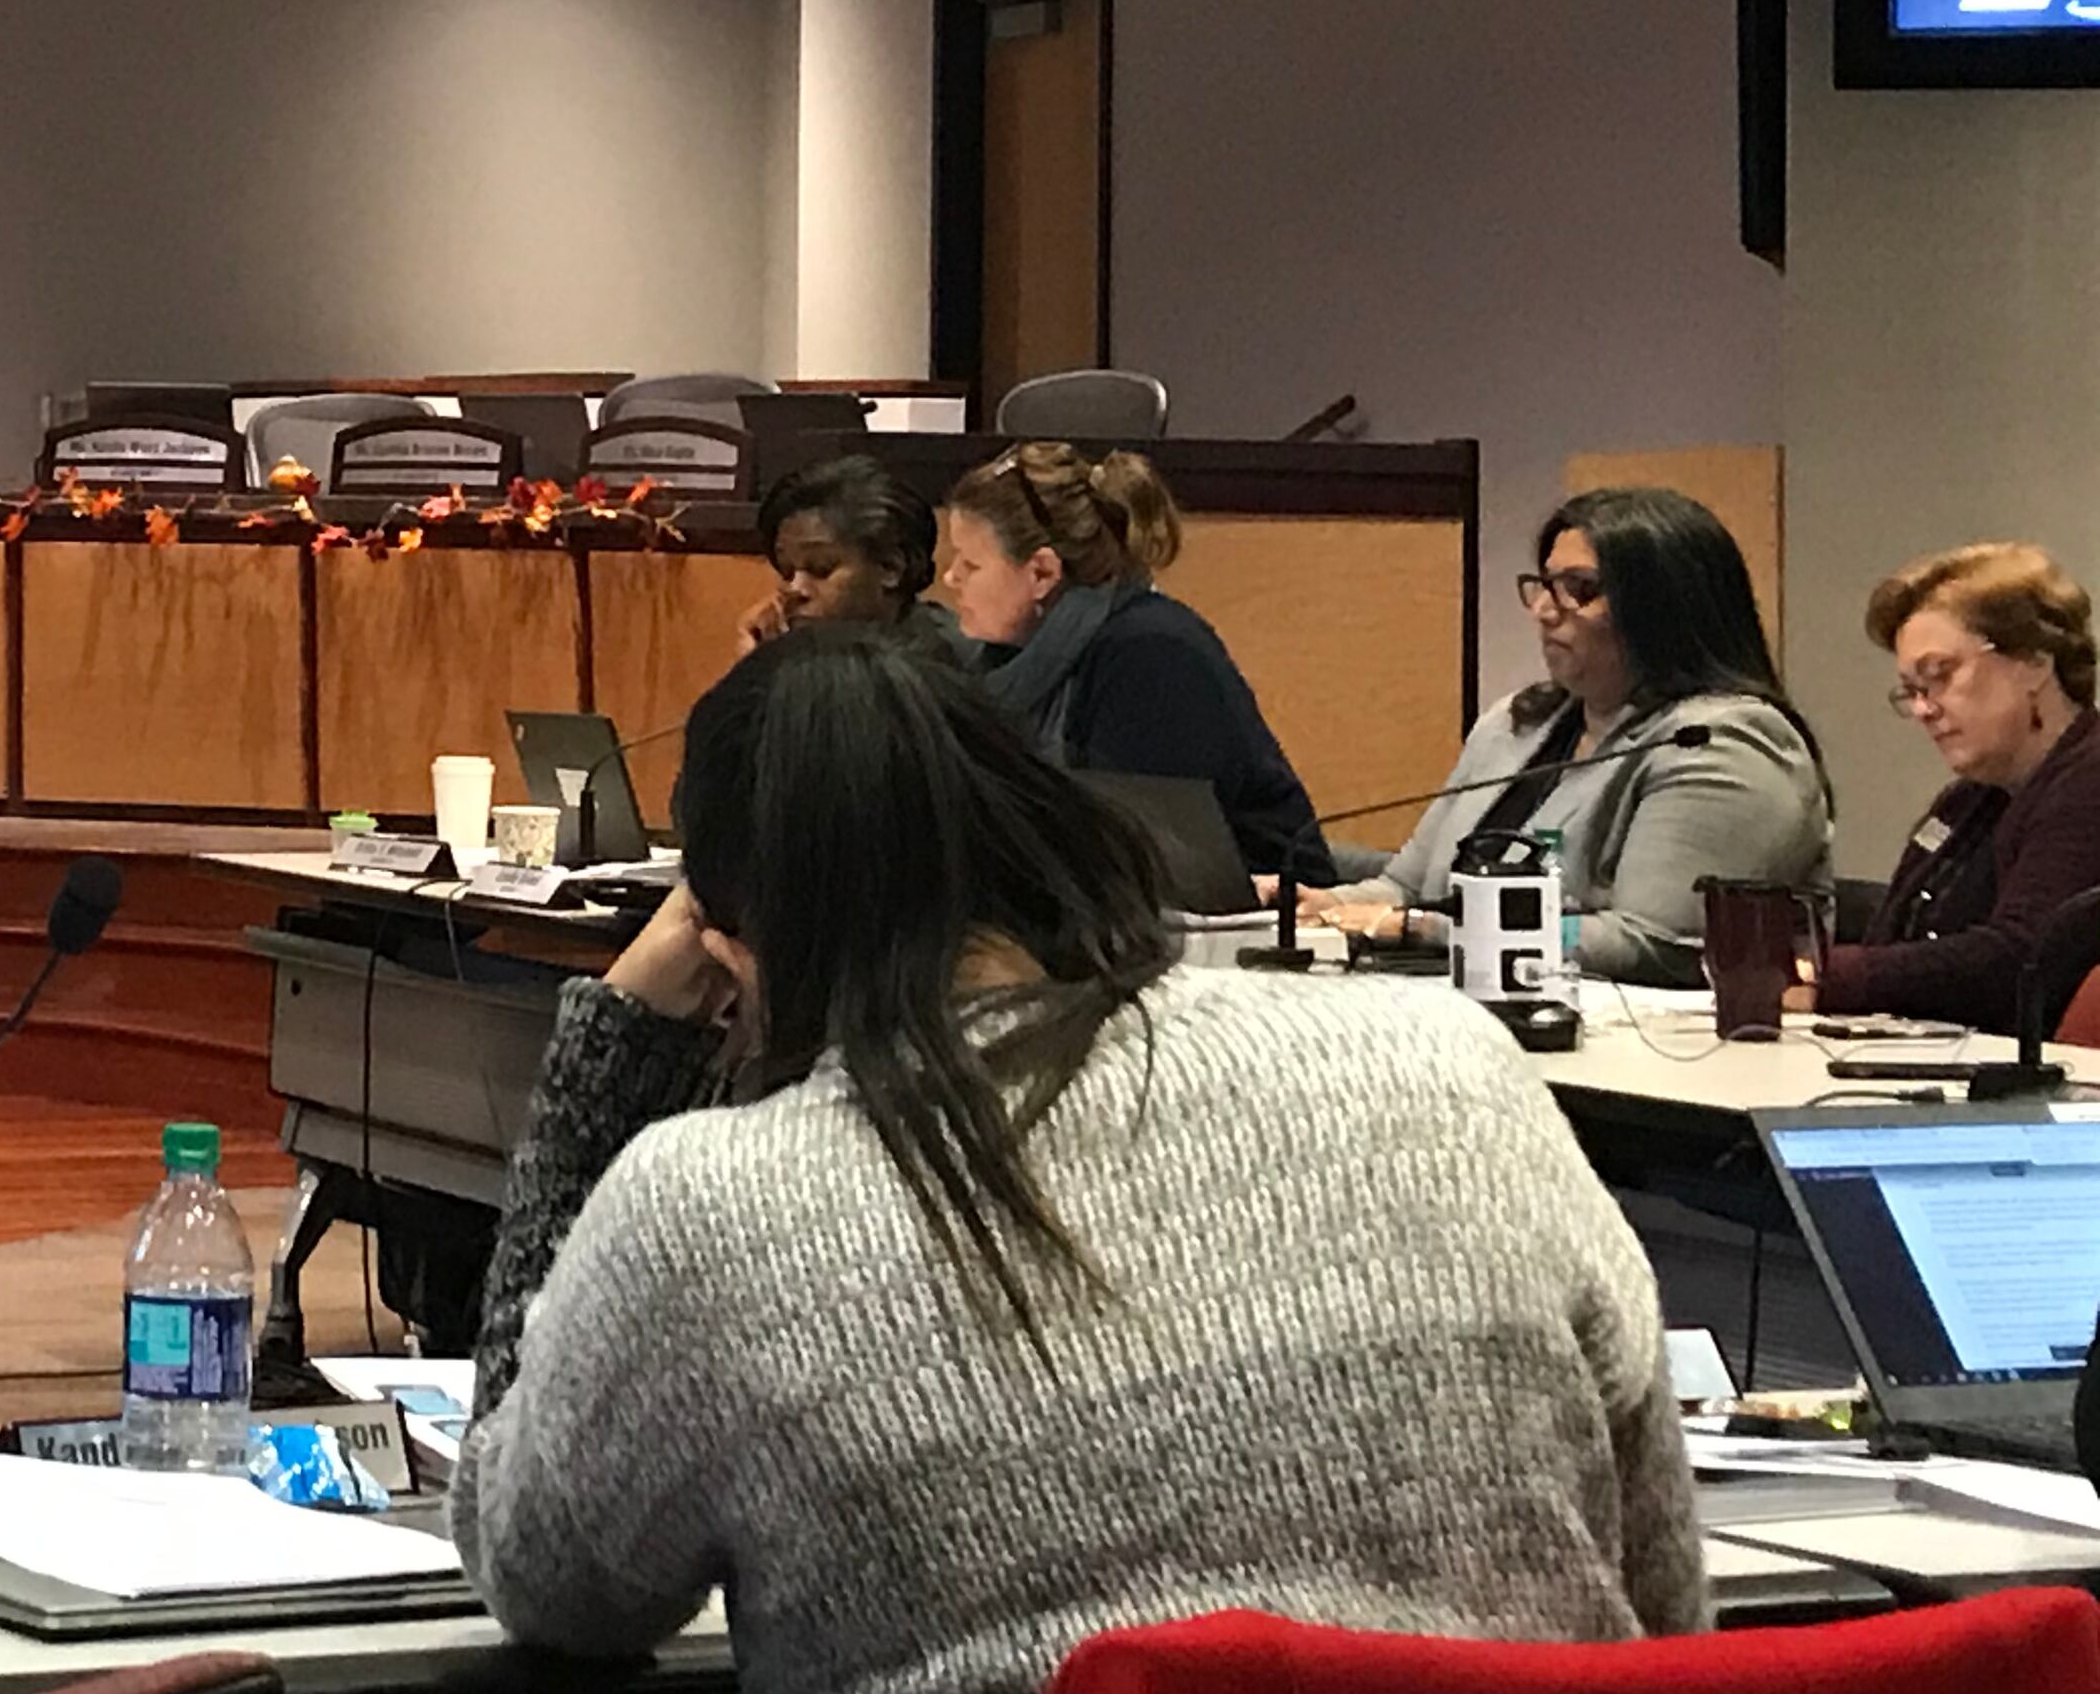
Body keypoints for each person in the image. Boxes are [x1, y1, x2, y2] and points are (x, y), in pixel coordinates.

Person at [449, 628, 1702, 1691]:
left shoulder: (712, 1206)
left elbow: (540, 1576)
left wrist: (613, 1046)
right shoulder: (1453, 1060)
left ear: (733, 948)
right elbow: (1662, 1596)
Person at [1307, 487, 1828, 985]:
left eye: (1579, 589)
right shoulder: (1517, 724)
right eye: (1544, 583)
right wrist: (1321, 907)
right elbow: (1406, 887)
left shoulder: (1722, 744)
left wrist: (1426, 930)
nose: (1544, 610)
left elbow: (1657, 945)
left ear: (1664, 608)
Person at [939, 441, 1330, 884]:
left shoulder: (1150, 655)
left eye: (970, 564)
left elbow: (1138, 863)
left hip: (1266, 927)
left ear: (1042, 574)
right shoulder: (998, 657)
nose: (950, 578)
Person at [1814, 543, 2100, 1033]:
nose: (1924, 709)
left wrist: (1827, 979)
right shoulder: (1967, 803)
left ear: (2033, 660)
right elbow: (1892, 941)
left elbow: (2020, 959)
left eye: (1939, 676)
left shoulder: (2090, 782)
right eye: (1912, 691)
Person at [736, 456, 942, 651]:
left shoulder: (954, 671)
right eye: (787, 573)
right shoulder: (795, 656)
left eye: (821, 569)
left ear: (890, 567)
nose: (795, 589)